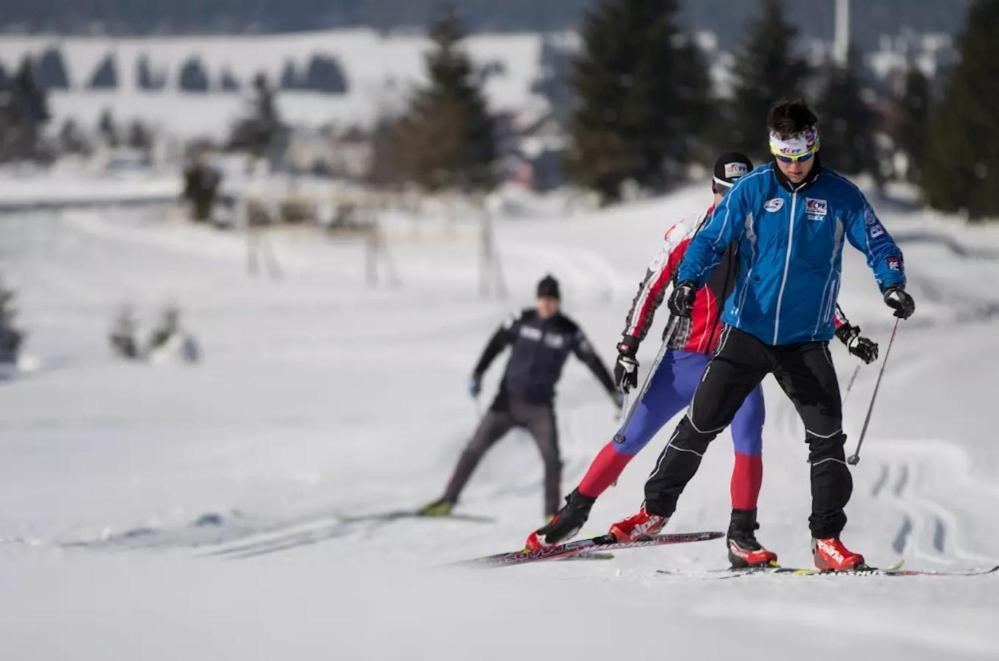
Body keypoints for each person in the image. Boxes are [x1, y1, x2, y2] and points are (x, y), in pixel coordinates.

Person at [524, 153, 879, 568]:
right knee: (631, 436)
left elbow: (799, 293)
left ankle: (742, 537)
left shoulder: (762, 231)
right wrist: (628, 347)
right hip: (683, 358)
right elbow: (651, 289)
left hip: (736, 357)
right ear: (713, 191)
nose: (735, 203)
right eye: (727, 194)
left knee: (749, 441)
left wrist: (845, 330)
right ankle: (572, 514)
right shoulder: (688, 233)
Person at [607, 98, 915, 571]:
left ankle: (827, 540)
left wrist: (892, 284)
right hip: (746, 331)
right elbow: (711, 240)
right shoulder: (751, 190)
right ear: (773, 150)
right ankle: (654, 512)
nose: (793, 167)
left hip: (805, 339)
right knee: (702, 422)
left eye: (801, 156)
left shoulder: (840, 195)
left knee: (827, 436)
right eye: (784, 157)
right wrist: (688, 281)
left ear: (814, 146)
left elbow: (876, 241)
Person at [420, 275, 620, 518]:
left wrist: (612, 392)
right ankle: (447, 500)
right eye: (542, 299)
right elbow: (495, 344)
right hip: (505, 403)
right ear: (537, 300)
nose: (546, 305)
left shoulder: (569, 331)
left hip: (540, 408)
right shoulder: (521, 320)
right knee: (473, 448)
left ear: (558, 302)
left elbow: (593, 361)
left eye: (551, 300)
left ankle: (551, 516)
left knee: (552, 459)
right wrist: (478, 373)